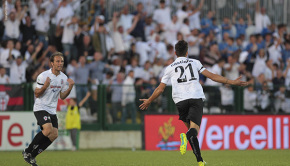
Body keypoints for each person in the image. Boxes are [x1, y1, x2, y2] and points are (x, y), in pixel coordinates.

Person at [139, 40, 247, 166]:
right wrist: (231, 82)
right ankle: (186, 138)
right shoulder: (195, 62)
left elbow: (160, 88)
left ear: (175, 53)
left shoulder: (169, 68)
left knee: (191, 132)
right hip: (195, 97)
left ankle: (200, 161)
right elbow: (212, 76)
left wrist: (149, 100)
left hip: (180, 100)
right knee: (193, 131)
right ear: (187, 52)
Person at [22, 52, 75, 166]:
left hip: (52, 109)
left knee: (54, 134)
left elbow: (62, 96)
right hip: (40, 107)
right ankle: (27, 151)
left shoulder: (64, 78)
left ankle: (32, 155)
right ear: (51, 63)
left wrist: (69, 88)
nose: (60, 63)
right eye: (57, 61)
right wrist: (45, 86)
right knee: (47, 129)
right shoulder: (43, 76)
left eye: (61, 61)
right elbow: (37, 94)